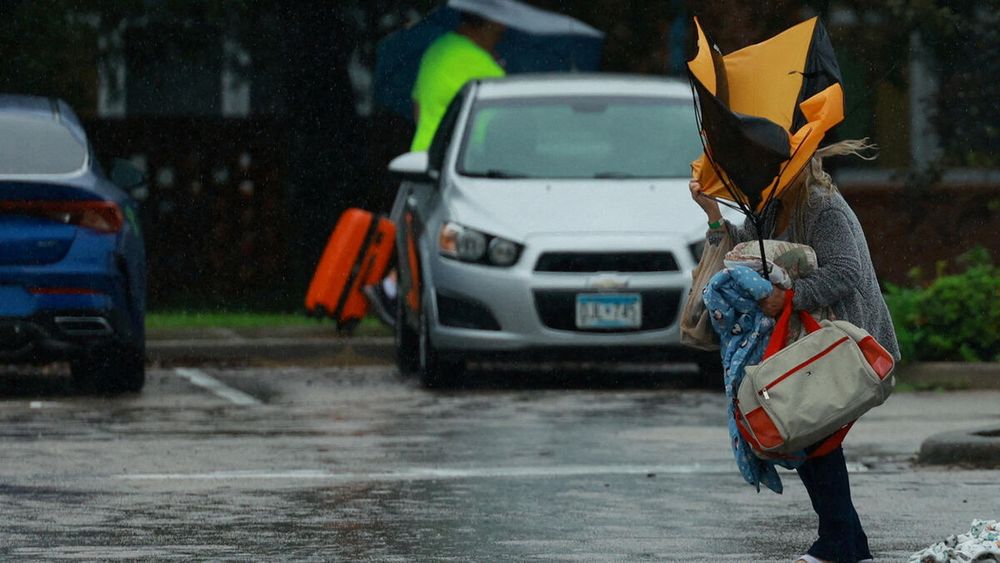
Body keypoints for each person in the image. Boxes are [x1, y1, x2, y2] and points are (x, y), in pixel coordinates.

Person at [689, 139, 900, 563]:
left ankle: (839, 543)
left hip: (848, 341)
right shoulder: (767, 206)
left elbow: (846, 272)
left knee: (813, 434)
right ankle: (849, 544)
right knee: (806, 431)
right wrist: (713, 215)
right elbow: (741, 251)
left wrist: (789, 296)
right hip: (807, 341)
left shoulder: (824, 207)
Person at [365, 11, 507, 326]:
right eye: (499, 24)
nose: (504, 29)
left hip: (420, 157)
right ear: (489, 23)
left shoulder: (437, 49)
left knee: (414, 234)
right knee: (450, 241)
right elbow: (497, 128)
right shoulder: (485, 69)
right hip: (458, 167)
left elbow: (417, 106)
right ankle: (402, 294)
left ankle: (394, 291)